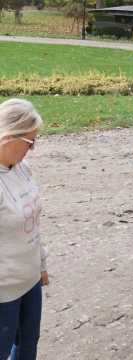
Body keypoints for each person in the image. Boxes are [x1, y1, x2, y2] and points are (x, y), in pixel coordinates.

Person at [0, 99, 49, 360]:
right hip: (4, 291)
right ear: (8, 138)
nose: (32, 149)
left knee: (28, 345)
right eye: (30, 143)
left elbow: (33, 224)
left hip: (30, 282)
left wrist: (40, 265)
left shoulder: (22, 168)